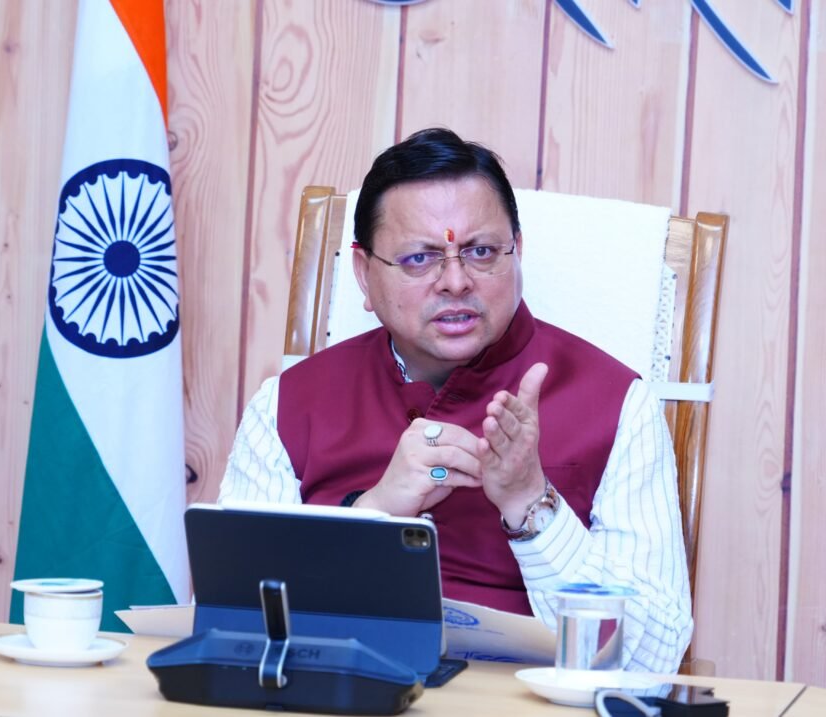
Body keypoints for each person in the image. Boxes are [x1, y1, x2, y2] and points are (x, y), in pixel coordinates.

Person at [219, 127, 693, 673]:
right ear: (364, 275)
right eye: (420, 258)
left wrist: (531, 503)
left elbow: (655, 658)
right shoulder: (288, 405)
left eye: (481, 252)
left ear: (518, 253)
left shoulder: (618, 405)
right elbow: (233, 626)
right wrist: (372, 513)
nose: (455, 281)